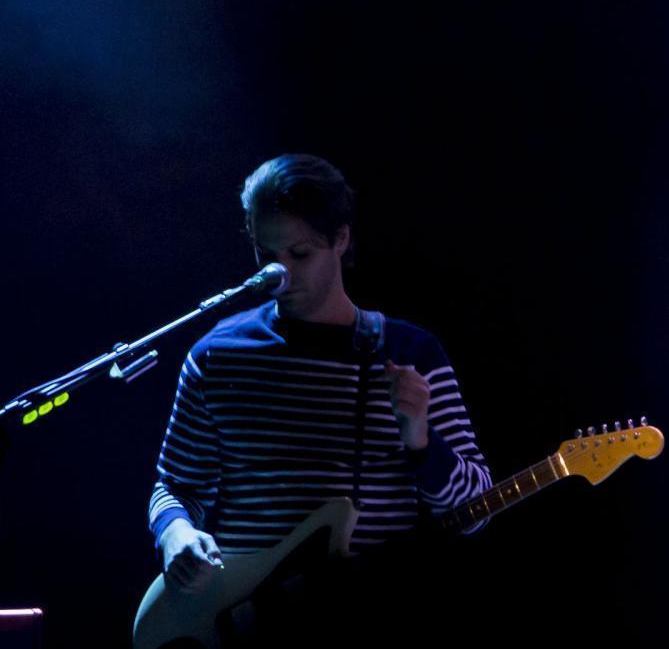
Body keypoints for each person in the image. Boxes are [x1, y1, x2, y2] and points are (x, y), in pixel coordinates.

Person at [150, 154, 493, 589]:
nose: (280, 274)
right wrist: (174, 531)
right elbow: (176, 485)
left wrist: (422, 444)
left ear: (342, 238)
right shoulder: (217, 355)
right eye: (266, 254)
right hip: (246, 629)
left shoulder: (410, 352)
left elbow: (477, 512)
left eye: (300, 254)